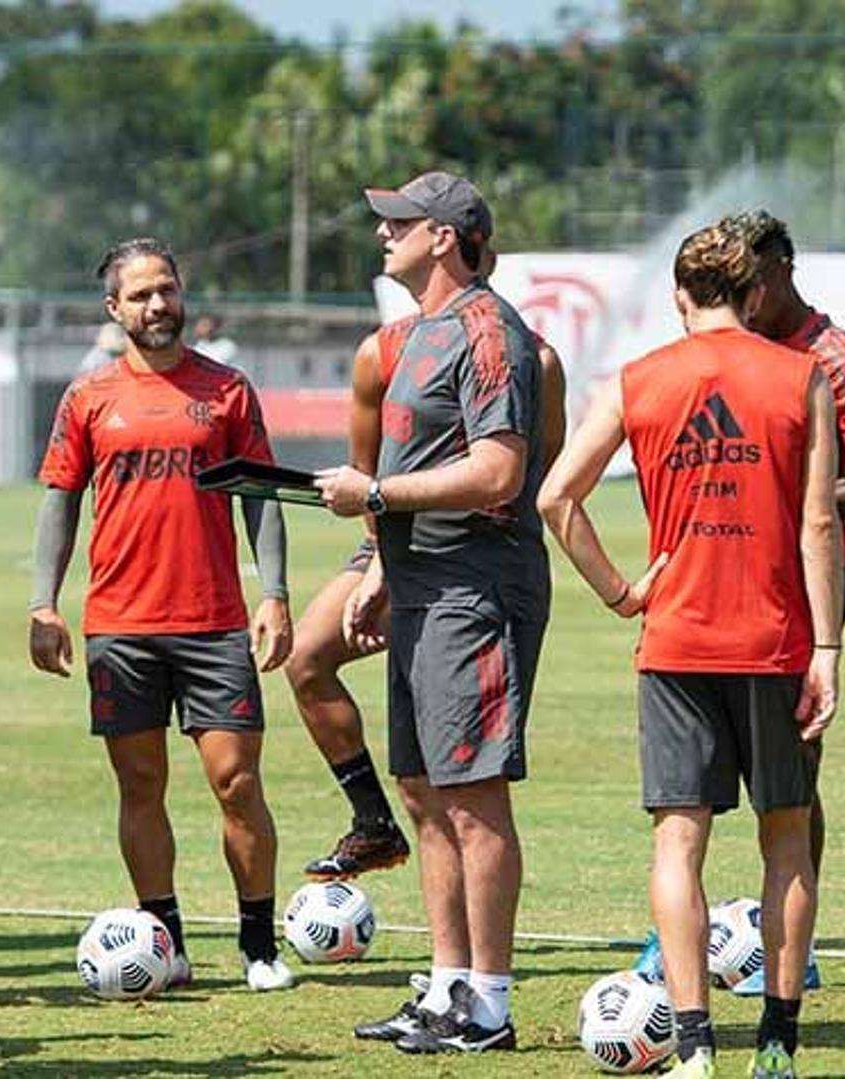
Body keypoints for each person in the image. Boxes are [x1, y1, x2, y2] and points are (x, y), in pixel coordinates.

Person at [537, 220, 842, 1079]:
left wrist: (620, 590)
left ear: (680, 297)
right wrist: (828, 646)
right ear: (752, 296)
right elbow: (819, 521)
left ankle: (696, 1049)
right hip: (775, 637)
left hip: (674, 639)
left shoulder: (638, 380)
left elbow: (557, 497)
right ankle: (778, 1047)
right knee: (786, 838)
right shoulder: (801, 374)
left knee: (679, 842)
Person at [633, 209, 845, 996]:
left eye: (753, 280)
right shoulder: (713, 351)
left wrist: (780, 496)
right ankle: (680, 938)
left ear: (781, 272)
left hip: (802, 583)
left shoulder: (833, 359)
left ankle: (789, 946)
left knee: (791, 779)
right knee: (686, 788)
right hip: (712, 576)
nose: (744, 296)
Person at [317, 172, 549, 1054]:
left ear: (445, 236)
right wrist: (379, 556)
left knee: (473, 793)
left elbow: (498, 470)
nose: (384, 234)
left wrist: (373, 492)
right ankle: (448, 985)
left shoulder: (490, 332)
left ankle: (488, 1003)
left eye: (400, 222)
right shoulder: (416, 336)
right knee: (422, 792)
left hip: (475, 586)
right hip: (420, 584)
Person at [29, 237, 296, 993]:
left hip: (214, 621)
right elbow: (59, 502)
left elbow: (260, 495)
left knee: (236, 780)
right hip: (121, 625)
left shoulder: (229, 391)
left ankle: (257, 942)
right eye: (141, 294)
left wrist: (273, 591)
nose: (157, 305)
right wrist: (43, 604)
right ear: (114, 310)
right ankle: (165, 939)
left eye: (167, 289)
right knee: (139, 783)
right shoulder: (88, 398)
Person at [286, 247, 565, 883]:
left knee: (463, 778)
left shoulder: (534, 359)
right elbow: (365, 476)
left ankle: (474, 962)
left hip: (473, 555)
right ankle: (373, 824)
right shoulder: (379, 353)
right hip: (389, 534)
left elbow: (527, 480)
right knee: (307, 657)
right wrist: (384, 562)